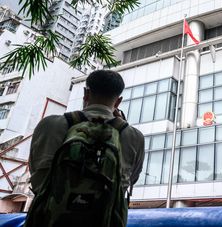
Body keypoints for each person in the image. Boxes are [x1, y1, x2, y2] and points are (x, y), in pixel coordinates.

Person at [28, 70, 144, 224]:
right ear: (118, 102)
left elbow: (37, 174)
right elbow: (130, 180)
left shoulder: (51, 124)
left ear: (86, 93)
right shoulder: (134, 136)